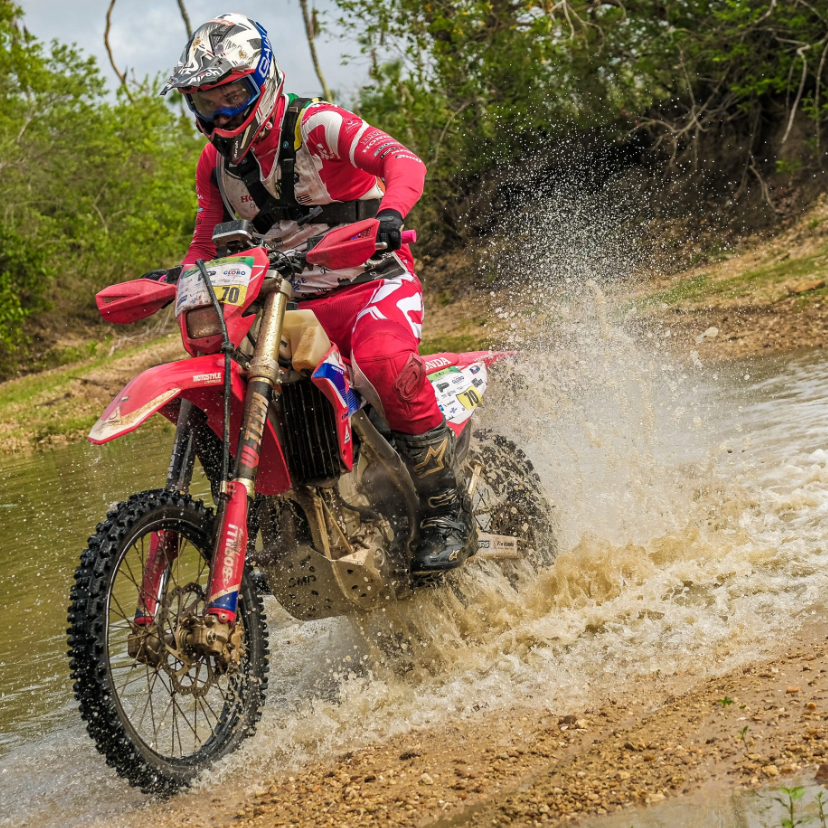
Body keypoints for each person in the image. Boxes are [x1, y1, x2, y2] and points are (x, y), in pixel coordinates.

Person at [156, 12, 475, 573]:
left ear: (265, 79)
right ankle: (263, 519)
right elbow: (205, 240)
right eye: (208, 102)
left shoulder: (316, 126)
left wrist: (393, 213)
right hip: (289, 303)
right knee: (223, 383)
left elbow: (402, 160)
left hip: (372, 281)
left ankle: (447, 510)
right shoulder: (214, 164)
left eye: (234, 93)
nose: (224, 113)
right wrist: (181, 277)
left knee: (382, 363)